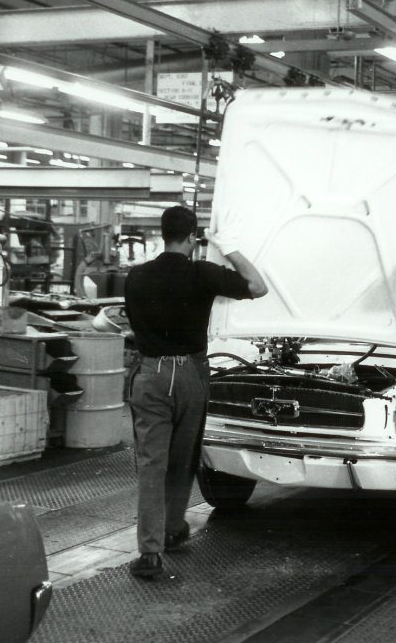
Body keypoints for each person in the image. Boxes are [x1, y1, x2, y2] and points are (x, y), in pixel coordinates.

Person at [123, 205, 267, 578]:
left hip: (151, 374)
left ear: (162, 234)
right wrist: (230, 247)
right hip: (190, 374)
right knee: (183, 460)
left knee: (152, 465)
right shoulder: (202, 273)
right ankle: (173, 528)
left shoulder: (136, 276)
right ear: (193, 238)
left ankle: (150, 553)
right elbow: (257, 286)